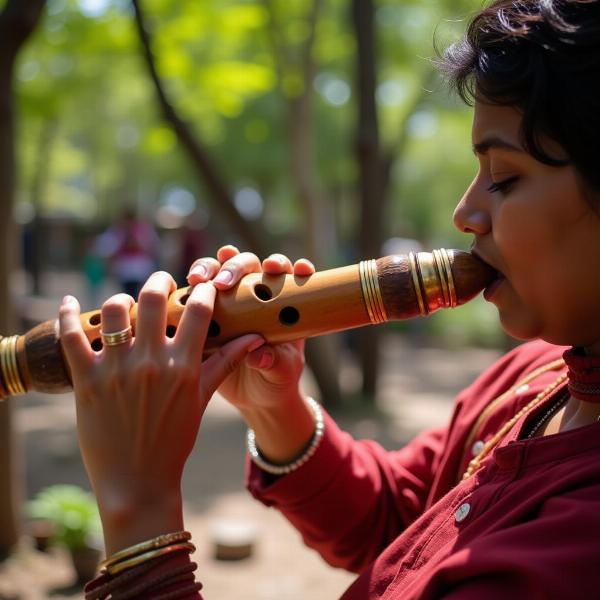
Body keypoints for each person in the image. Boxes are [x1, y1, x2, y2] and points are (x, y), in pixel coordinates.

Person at [57, 1, 600, 597]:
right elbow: (401, 523)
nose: (465, 214)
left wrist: (138, 505)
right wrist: (274, 407)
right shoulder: (538, 374)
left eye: (504, 176)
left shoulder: (579, 547)